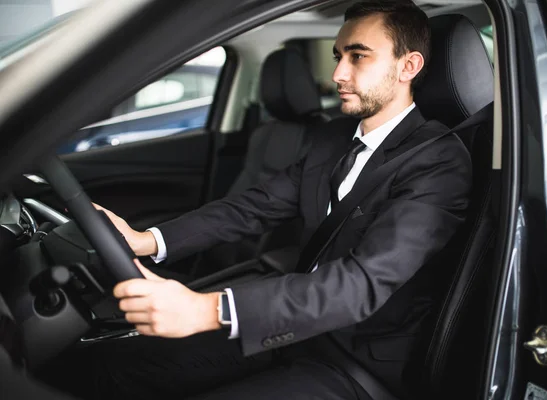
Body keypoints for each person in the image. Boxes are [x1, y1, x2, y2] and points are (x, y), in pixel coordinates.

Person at [46, 1, 472, 399]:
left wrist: (208, 309)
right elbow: (252, 207)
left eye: (358, 56)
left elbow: (363, 282)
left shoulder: (439, 161)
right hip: (285, 325)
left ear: (408, 66)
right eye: (337, 56)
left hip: (355, 360)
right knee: (109, 368)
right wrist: (147, 240)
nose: (338, 74)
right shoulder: (331, 137)